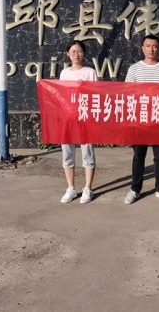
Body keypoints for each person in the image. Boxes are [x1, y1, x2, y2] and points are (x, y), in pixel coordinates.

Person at [124, 35, 159, 204]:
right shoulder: (134, 69)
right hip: (140, 119)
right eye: (148, 46)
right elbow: (127, 93)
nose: (151, 49)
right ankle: (135, 189)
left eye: (154, 46)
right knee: (138, 156)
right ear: (142, 48)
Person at [59, 40, 98, 204]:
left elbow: (96, 95)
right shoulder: (64, 73)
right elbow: (60, 95)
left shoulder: (90, 72)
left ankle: (88, 188)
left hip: (85, 118)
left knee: (87, 153)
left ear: (84, 54)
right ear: (68, 53)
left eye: (80, 51)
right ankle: (71, 188)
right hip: (67, 118)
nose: (76, 54)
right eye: (73, 51)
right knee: (67, 154)